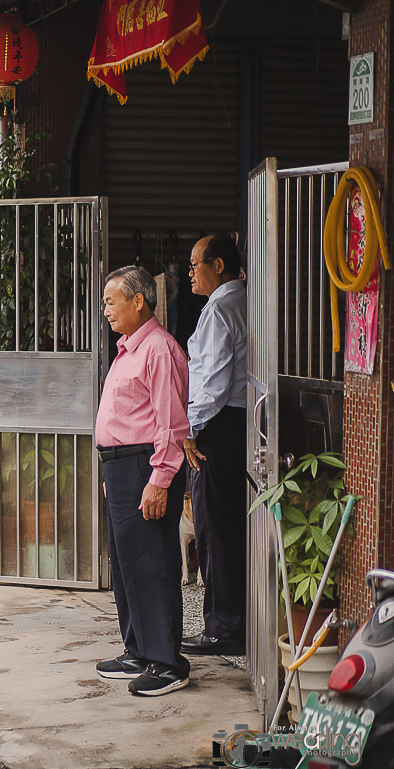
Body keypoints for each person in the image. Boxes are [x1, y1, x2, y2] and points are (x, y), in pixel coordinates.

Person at [94, 265, 191, 697]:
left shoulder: (158, 349)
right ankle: (138, 649)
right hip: (121, 468)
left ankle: (167, 661)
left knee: (153, 562)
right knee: (128, 563)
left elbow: (171, 424)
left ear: (139, 301)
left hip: (144, 466)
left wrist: (160, 478)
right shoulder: (129, 349)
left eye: (111, 301)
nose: (106, 309)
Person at [180, 234, 248, 656]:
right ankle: (231, 621)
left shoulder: (221, 309)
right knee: (228, 525)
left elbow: (214, 382)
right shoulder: (242, 301)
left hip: (218, 425)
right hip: (237, 422)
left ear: (217, 265)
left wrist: (190, 427)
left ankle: (223, 628)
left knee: (213, 527)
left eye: (194, 265)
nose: (190, 273)